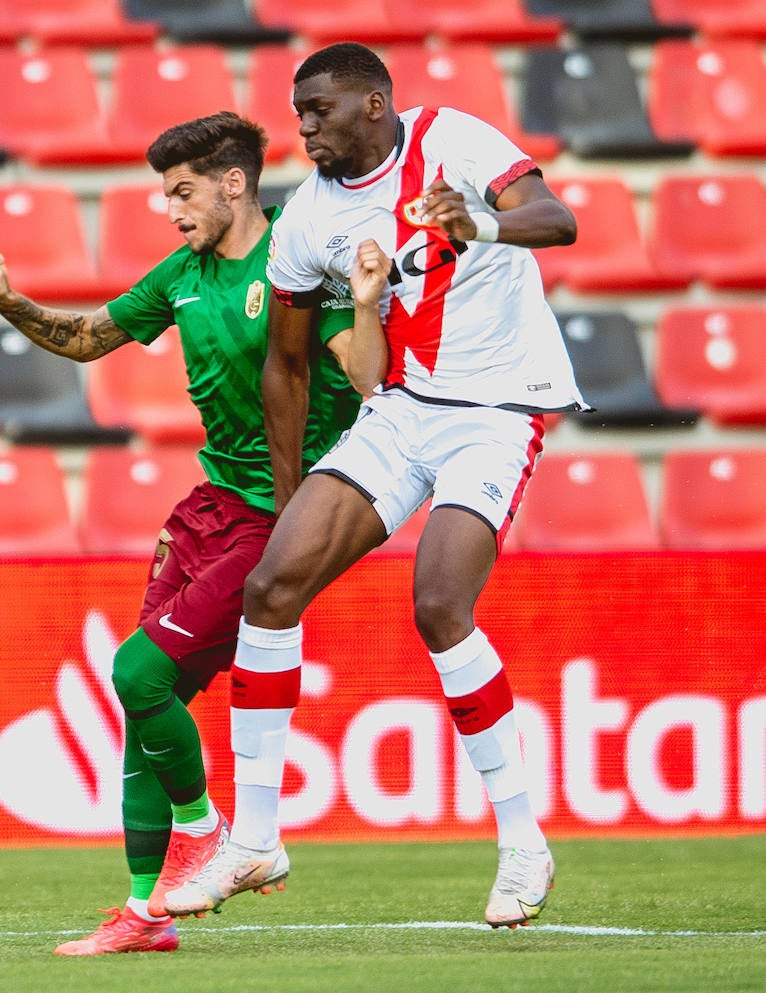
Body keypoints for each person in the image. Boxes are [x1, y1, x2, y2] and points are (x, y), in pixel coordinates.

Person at [161, 42, 588, 929]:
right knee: (271, 587)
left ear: (375, 106)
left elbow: (558, 218)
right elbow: (286, 366)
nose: (305, 126)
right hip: (401, 409)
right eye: (299, 112)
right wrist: (287, 498)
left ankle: (521, 840)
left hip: (498, 408)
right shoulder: (310, 219)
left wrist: (480, 225)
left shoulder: (453, 141)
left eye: (320, 109)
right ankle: (259, 840)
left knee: (438, 602)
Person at [0, 112, 362, 955]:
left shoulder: (298, 256)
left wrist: (364, 300)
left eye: (182, 192)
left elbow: (362, 364)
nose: (169, 209)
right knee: (152, 704)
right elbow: (86, 338)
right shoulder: (182, 274)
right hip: (210, 507)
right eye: (163, 193)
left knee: (136, 671)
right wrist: (8, 302)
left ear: (234, 183)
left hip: (283, 512)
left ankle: (212, 830)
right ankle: (146, 913)